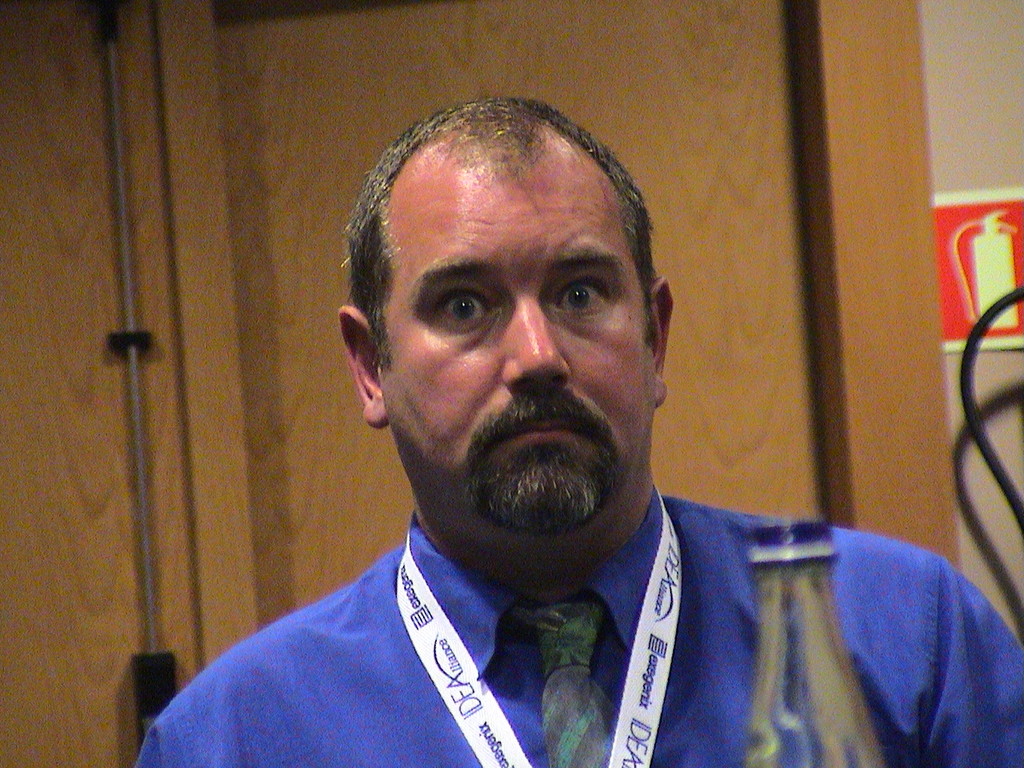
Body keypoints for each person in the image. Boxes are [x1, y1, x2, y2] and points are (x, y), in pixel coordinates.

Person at [136, 97, 1023, 768]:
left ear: (655, 337)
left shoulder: (909, 638)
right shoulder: (232, 737)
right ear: (371, 367)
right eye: (465, 306)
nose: (537, 356)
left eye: (580, 293)